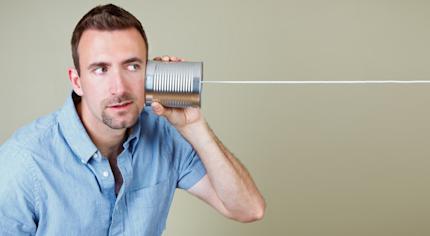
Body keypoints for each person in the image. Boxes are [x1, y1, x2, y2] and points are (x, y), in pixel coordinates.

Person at [0, 4, 265, 236]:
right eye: (101, 69)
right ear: (77, 81)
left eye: (132, 66)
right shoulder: (23, 165)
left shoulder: (166, 133)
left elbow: (248, 209)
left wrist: (192, 125)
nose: (119, 88)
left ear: (150, 75)